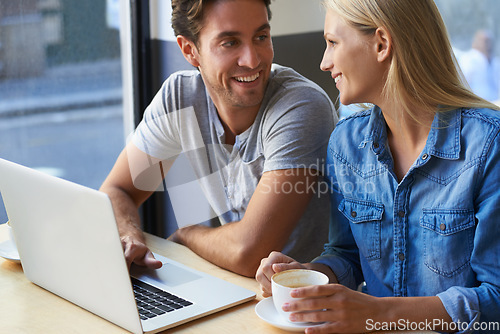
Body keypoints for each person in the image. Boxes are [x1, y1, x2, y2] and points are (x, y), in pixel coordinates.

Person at [256, 0, 500, 332]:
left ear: (381, 44)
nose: (324, 62)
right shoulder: (345, 145)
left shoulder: (489, 145)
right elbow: (347, 255)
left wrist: (380, 316)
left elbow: (496, 300)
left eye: (332, 43)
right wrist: (310, 276)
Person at [100, 0, 336, 278]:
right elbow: (117, 190)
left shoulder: (301, 106)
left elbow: (249, 252)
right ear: (190, 50)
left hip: (304, 303)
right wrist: (129, 236)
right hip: (235, 287)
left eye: (261, 37)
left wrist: (188, 234)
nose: (252, 60)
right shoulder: (180, 97)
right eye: (230, 43)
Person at [458, 29, 500, 103]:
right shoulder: (469, 59)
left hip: (495, 104)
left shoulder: (495, 62)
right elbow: (462, 83)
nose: (488, 45)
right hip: (477, 105)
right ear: (475, 43)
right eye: (485, 41)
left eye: (490, 41)